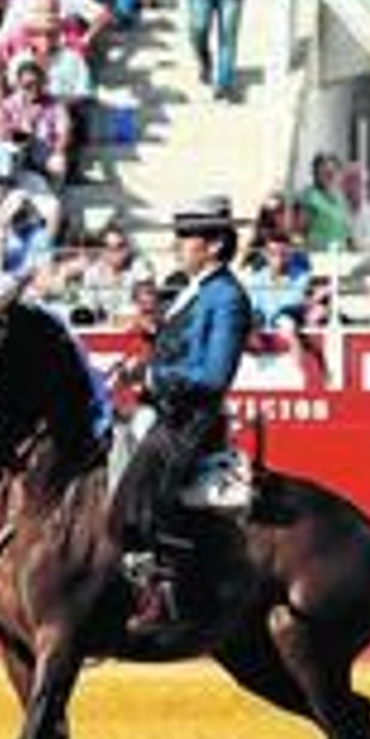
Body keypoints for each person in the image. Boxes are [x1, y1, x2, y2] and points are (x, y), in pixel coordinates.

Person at [112, 195, 253, 632]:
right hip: (166, 413)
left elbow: (214, 376)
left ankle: (165, 595)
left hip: (191, 422)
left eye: (187, 237)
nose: (178, 245)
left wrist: (153, 375)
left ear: (213, 245)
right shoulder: (197, 290)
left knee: (136, 497)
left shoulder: (227, 297)